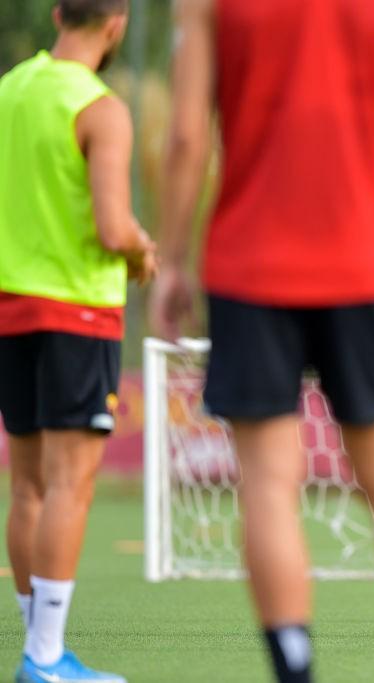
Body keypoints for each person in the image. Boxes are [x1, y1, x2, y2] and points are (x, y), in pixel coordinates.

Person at [149, 1, 374, 681]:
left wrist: (171, 260)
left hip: (247, 267)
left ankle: (294, 670)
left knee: (266, 484)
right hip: (361, 266)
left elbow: (186, 140)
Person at [0, 1, 157, 681]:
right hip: (77, 315)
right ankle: (43, 658)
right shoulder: (100, 108)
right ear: (116, 23)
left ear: (60, 12)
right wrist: (144, 253)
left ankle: (37, 648)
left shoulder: (9, 91)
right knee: (70, 483)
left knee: (28, 486)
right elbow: (112, 228)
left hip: (10, 309)